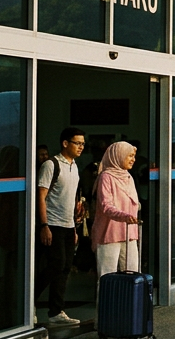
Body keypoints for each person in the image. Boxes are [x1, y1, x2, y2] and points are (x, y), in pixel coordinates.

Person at [35, 127, 86, 326]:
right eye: (77, 143)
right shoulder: (51, 164)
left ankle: (56, 310)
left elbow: (71, 199)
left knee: (64, 267)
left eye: (83, 143)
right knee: (55, 265)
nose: (81, 147)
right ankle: (29, 300)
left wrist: (74, 228)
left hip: (67, 224)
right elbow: (41, 196)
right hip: (52, 223)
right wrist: (44, 225)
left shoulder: (74, 166)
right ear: (65, 143)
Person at [92, 142, 141, 276]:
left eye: (134, 156)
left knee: (132, 275)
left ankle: (130, 298)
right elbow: (106, 206)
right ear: (118, 156)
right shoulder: (106, 177)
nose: (133, 159)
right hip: (109, 234)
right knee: (107, 276)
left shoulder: (128, 177)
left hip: (129, 233)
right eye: (130, 156)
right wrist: (123, 216)